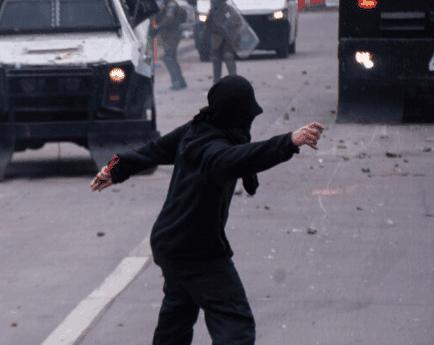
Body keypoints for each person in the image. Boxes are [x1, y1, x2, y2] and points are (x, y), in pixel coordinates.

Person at [91, 75, 325, 345]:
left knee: (176, 320)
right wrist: (288, 142)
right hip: (196, 251)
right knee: (235, 325)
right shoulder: (212, 149)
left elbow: (149, 152)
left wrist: (113, 168)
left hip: (170, 243)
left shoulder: (196, 129)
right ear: (237, 114)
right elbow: (237, 158)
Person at [150, 0, 188, 91]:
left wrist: (158, 27)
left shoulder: (171, 4)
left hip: (172, 35)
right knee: (171, 58)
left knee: (169, 58)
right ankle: (181, 82)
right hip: (167, 35)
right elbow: (157, 17)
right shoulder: (164, 4)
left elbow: (169, 19)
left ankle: (176, 82)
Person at [203, 0, 241, 83]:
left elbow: (237, 21)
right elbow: (207, 26)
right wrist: (203, 38)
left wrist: (228, 24)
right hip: (216, 39)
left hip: (228, 39)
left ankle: (233, 81)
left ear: (222, 0)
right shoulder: (212, 12)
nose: (214, 2)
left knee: (228, 57)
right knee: (216, 60)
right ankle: (216, 83)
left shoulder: (228, 10)